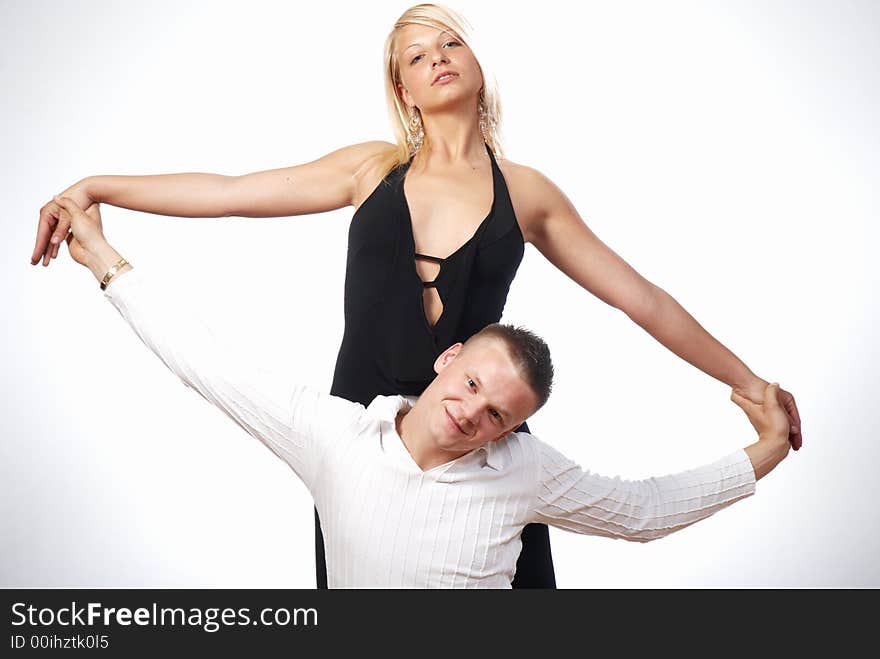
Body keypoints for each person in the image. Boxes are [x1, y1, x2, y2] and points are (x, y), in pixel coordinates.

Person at [30, 4, 802, 589]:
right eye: (417, 55)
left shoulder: (525, 194)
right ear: (402, 88)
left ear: (476, 65)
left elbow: (642, 298)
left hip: (485, 443)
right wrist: (98, 185)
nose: (438, 58)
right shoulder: (370, 169)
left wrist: (747, 382)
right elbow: (231, 190)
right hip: (366, 440)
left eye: (451, 43)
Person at [51, 195, 792, 588]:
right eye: (472, 384)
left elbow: (642, 511)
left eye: (496, 414)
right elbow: (204, 361)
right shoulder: (334, 437)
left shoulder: (524, 476)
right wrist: (103, 258)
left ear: (509, 431)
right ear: (447, 359)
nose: (471, 412)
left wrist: (764, 450)